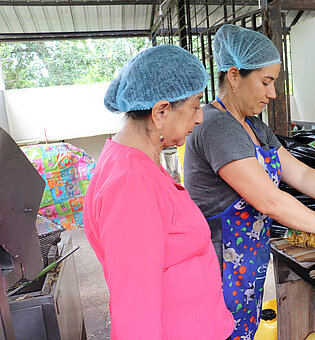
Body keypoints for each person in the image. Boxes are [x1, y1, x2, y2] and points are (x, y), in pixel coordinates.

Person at [184, 24, 315, 339]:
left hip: (247, 261)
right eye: (266, 82)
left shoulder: (254, 126)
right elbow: (268, 200)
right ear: (234, 76)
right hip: (219, 266)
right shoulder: (218, 128)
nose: (272, 93)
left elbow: (299, 173)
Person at [83, 45, 234, 340]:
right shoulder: (130, 183)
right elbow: (135, 306)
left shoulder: (138, 162)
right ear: (161, 112)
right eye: (195, 106)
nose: (200, 117)